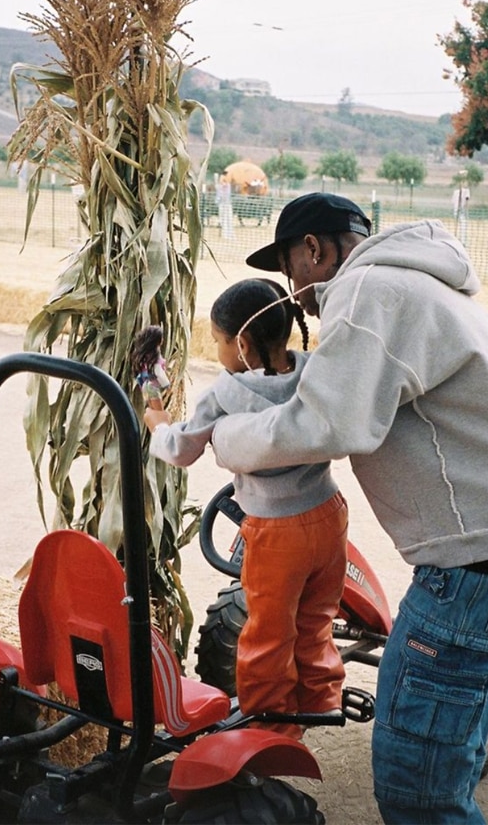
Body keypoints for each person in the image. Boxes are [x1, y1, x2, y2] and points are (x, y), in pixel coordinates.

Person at [210, 192, 488, 824]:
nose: (294, 293)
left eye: (292, 272)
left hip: (487, 547)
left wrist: (218, 437)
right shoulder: (414, 284)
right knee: (445, 712)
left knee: (416, 786)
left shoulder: (368, 292)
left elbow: (331, 420)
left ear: (316, 250)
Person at [144, 277, 348, 739]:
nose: (217, 351)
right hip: (329, 515)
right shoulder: (315, 372)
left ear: (242, 342)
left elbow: (179, 449)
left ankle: (270, 729)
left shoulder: (227, 395)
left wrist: (156, 417)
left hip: (278, 533)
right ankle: (319, 703)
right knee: (315, 620)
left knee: (267, 634)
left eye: (217, 341)